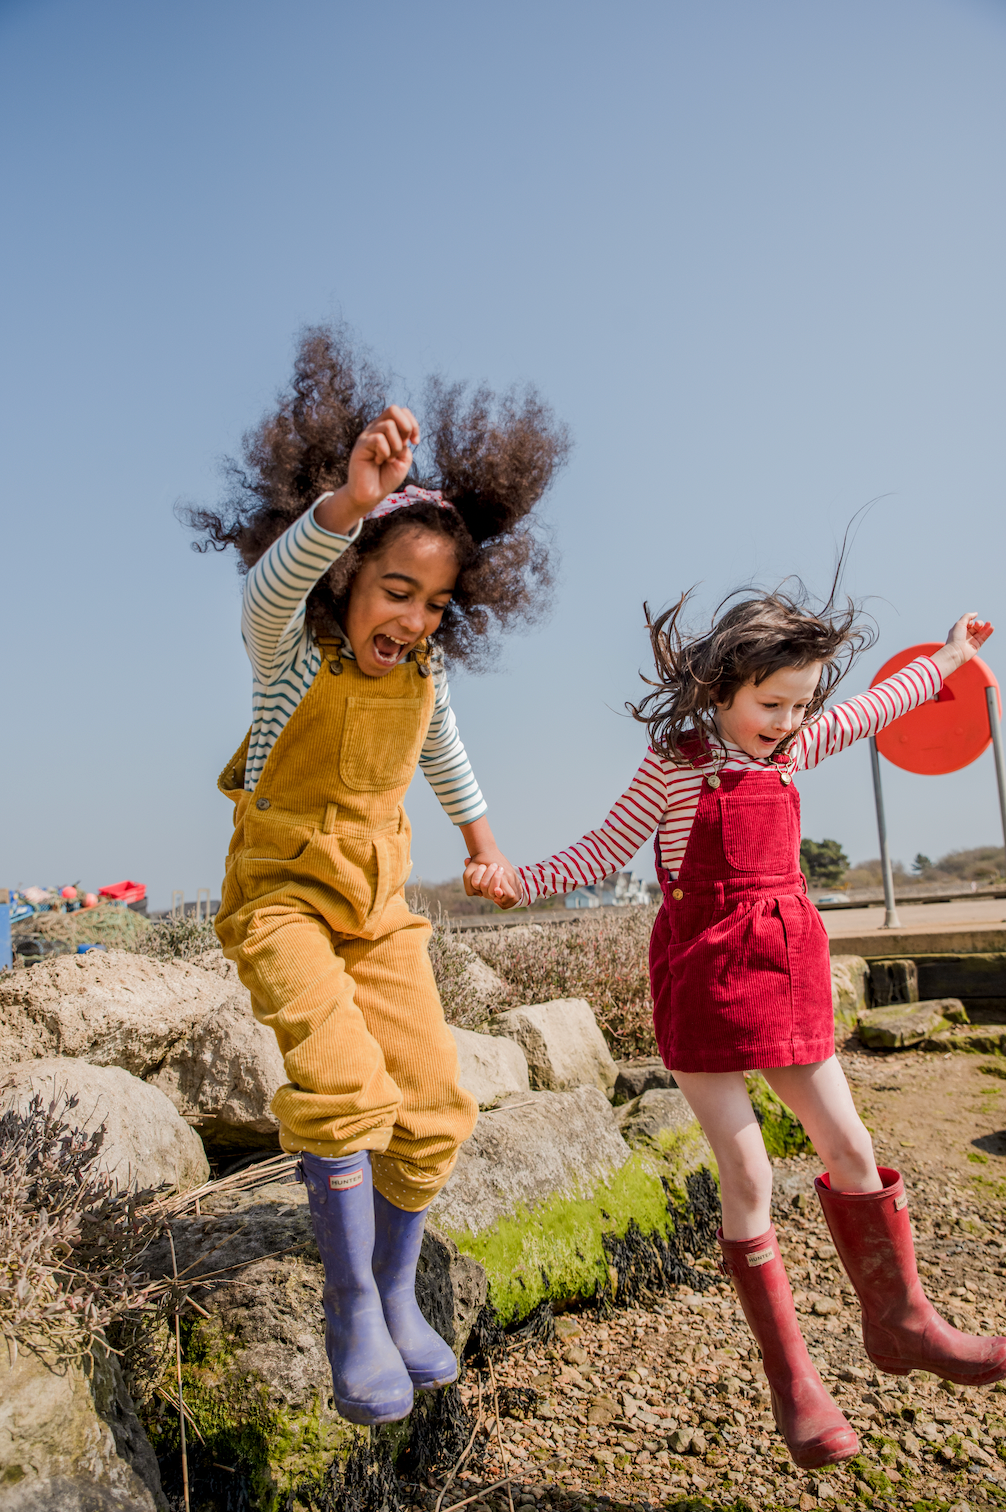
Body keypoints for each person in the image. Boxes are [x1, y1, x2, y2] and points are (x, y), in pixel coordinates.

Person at [466, 588, 1002, 1469]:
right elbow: (604, 848)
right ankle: (794, 1381)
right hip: (704, 977)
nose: (788, 722)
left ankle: (904, 1324)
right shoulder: (674, 763)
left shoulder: (796, 748)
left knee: (852, 1149)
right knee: (748, 1167)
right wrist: (518, 879)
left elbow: (872, 709)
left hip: (787, 964)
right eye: (771, 704)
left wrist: (945, 660)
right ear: (721, 689)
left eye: (801, 704)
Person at [189, 326, 567, 1425]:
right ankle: (351, 1305)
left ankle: (400, 1292)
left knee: (437, 1102)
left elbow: (444, 752)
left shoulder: (426, 672)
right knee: (346, 1089)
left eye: (436, 604)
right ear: (350, 578)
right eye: (395, 590)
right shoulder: (290, 649)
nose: (412, 618)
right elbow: (270, 585)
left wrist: (483, 843)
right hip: (282, 898)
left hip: (379, 901)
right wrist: (349, 503)